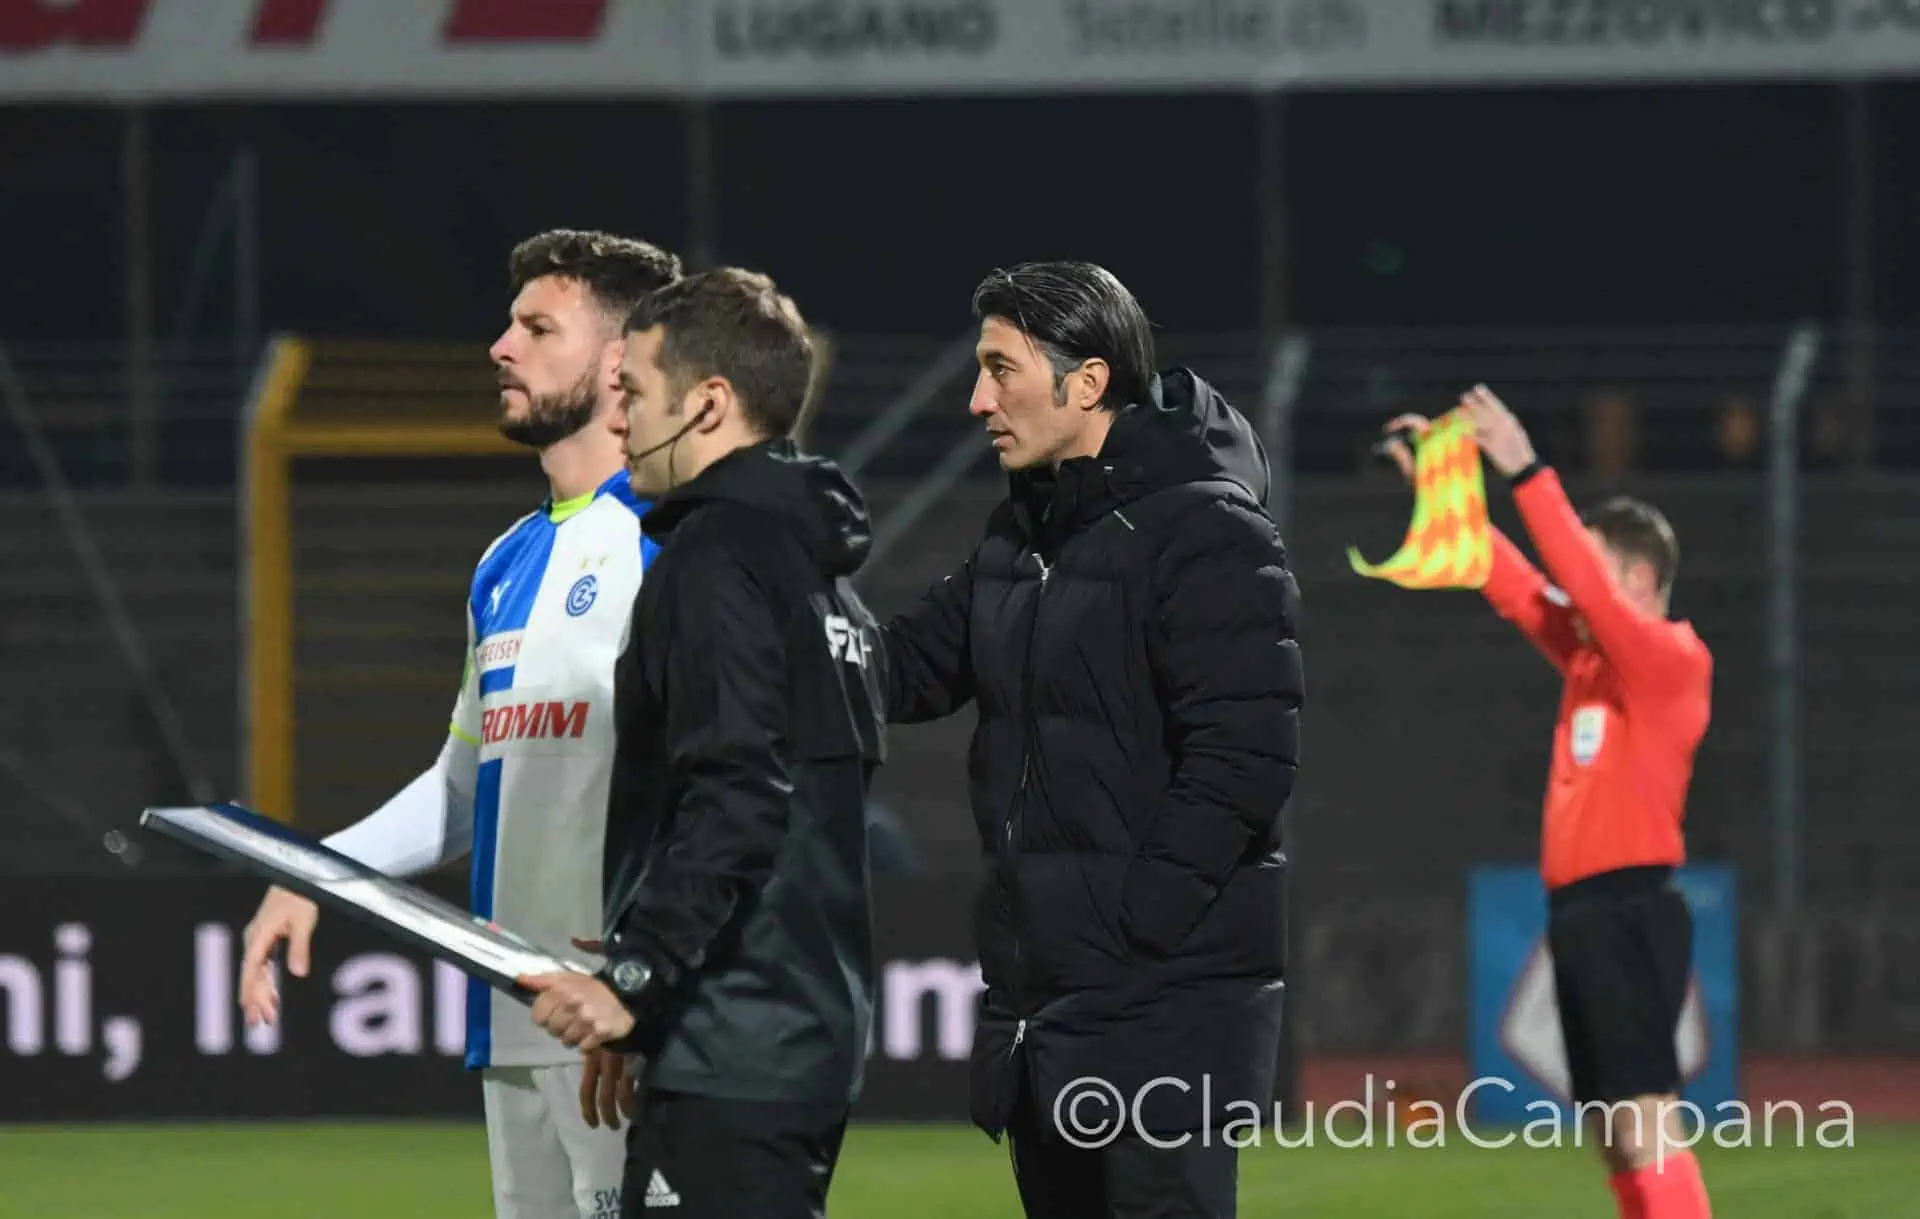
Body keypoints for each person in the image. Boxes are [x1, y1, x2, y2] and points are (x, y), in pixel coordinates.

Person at [237, 229, 683, 1219]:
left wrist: (654, 988)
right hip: (520, 1025)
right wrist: (316, 872)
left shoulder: (678, 544)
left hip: (632, 1028)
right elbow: (460, 787)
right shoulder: (504, 561)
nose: (499, 347)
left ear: (621, 362)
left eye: (536, 326)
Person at [878, 261, 1304, 1219]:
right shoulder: (1018, 538)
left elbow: (1244, 764)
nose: (977, 397)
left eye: (1000, 368)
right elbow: (896, 670)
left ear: (1088, 381)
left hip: (1163, 1012)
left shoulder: (1210, 532)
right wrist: (766, 586)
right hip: (1050, 1014)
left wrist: (1130, 927)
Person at [514, 267, 885, 1219]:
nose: (620, 418)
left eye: (633, 392)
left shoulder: (712, 560)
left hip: (737, 1039)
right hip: (793, 1033)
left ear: (709, 404)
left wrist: (634, 980)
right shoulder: (817, 572)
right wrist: (652, 1011)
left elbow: (739, 796)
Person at [1383, 385, 1715, 1219]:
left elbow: (1572, 583)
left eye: (1595, 564)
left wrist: (1525, 465)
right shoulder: (1593, 663)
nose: (1579, 582)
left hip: (1631, 905)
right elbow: (1520, 585)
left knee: (1646, 1114)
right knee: (1613, 1122)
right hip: (1580, 910)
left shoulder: (1671, 660)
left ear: (1638, 578)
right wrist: (1443, 486)